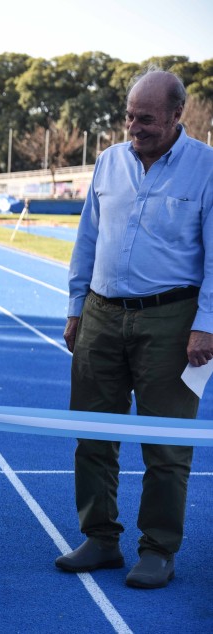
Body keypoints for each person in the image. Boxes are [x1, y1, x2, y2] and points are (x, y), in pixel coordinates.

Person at [56, 68, 213, 589]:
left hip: (172, 319)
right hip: (101, 312)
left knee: (165, 443)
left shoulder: (206, 169)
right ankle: (100, 538)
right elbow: (87, 238)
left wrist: (207, 326)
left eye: (145, 118)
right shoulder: (109, 162)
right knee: (93, 436)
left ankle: (157, 549)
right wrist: (77, 307)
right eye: (128, 115)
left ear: (176, 116)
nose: (134, 126)